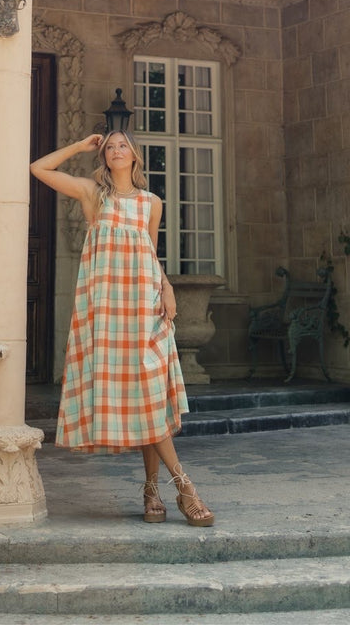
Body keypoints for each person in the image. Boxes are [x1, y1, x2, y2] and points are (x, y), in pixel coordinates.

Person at [30, 130, 215, 526]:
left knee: (149, 391)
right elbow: (38, 168)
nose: (116, 150)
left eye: (122, 145)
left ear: (135, 156)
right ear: (105, 155)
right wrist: (80, 147)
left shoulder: (152, 202)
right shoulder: (92, 195)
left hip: (144, 304)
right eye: (110, 145)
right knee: (140, 396)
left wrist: (166, 288)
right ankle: (161, 491)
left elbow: (150, 251)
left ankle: (177, 488)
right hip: (107, 309)